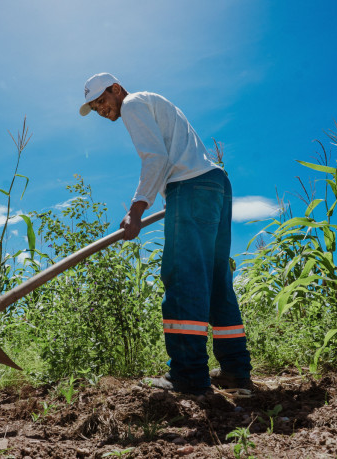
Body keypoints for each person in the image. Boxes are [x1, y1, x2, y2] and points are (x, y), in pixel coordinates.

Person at [79, 73, 253, 395]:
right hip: (215, 185)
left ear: (116, 89)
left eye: (102, 101)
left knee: (183, 277)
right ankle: (235, 371)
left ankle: (188, 376)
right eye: (95, 107)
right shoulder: (154, 102)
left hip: (190, 187)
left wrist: (136, 209)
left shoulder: (131, 104)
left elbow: (156, 157)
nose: (102, 110)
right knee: (216, 282)